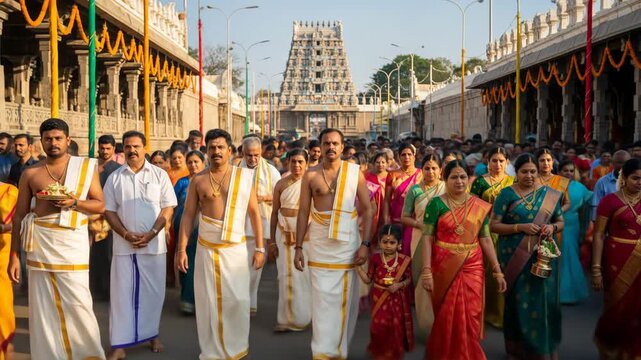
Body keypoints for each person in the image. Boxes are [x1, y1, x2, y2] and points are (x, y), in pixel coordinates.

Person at [8, 118, 105, 359]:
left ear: (68, 140)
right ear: (40, 142)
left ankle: (89, 355)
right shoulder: (30, 173)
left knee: (79, 303)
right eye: (48, 139)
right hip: (40, 244)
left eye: (58, 138)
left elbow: (100, 205)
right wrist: (14, 257)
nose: (53, 143)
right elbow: (19, 216)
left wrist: (75, 203)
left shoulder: (85, 167)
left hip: (72, 244)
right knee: (43, 308)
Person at [176, 129, 265, 359]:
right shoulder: (198, 179)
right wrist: (181, 249)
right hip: (206, 248)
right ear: (206, 150)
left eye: (220, 147)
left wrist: (260, 248)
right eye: (212, 147)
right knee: (208, 304)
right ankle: (213, 352)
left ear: (230, 150)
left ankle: (236, 349)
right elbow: (188, 215)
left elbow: (254, 214)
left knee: (238, 300)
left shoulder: (243, 177)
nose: (216, 151)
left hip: (235, 249)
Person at [294, 128, 372, 359]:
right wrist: (298, 247)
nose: (330, 147)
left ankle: (337, 350)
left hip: (347, 244)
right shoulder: (310, 175)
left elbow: (368, 210)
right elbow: (302, 213)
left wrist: (365, 243)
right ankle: (322, 351)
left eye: (335, 143)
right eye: (326, 143)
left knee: (343, 300)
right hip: (319, 244)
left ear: (342, 146)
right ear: (320, 146)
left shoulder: (353, 172)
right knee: (321, 300)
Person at [421, 159, 507, 360]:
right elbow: (427, 239)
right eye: (454, 177)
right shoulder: (435, 204)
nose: (459, 181)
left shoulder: (480, 206)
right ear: (445, 178)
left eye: (463, 177)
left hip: (473, 266)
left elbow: (485, 239)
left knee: (471, 314)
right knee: (446, 314)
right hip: (444, 265)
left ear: (468, 179)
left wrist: (497, 269)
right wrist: (426, 271)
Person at [103, 131, 177, 359]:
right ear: (122, 150)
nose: (132, 150)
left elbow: (168, 208)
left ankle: (152, 334)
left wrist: (153, 233)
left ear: (145, 147)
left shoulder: (159, 175)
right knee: (121, 295)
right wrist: (125, 233)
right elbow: (109, 211)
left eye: (136, 146)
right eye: (127, 147)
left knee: (153, 294)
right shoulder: (115, 178)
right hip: (124, 247)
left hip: (153, 247)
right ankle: (120, 344)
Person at [490, 153, 565, 359]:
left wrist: (552, 226)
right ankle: (521, 346)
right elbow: (493, 225)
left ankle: (545, 345)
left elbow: (561, 221)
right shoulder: (507, 194)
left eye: (533, 171)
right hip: (514, 255)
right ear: (517, 172)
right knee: (519, 300)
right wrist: (519, 226)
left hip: (542, 254)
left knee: (544, 300)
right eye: (525, 172)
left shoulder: (549, 194)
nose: (530, 175)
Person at [592, 158, 641, 359]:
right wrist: (596, 269)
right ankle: (611, 351)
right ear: (625, 177)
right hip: (616, 259)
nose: (640, 182)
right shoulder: (610, 201)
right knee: (618, 307)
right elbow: (598, 235)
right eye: (635, 178)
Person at [469, 146, 514, 328]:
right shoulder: (480, 183)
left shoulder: (512, 182)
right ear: (487, 163)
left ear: (507, 162)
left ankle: (504, 314)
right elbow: (472, 208)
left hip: (508, 231)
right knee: (488, 273)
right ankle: (485, 313)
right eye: (493, 161)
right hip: (485, 231)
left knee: (507, 270)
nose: (497, 164)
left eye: (501, 161)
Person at [269, 149, 312, 332]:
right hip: (282, 231)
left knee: (302, 276)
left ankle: (303, 318)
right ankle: (285, 319)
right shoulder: (280, 184)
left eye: (300, 162)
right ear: (288, 163)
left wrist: (306, 232)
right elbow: (274, 212)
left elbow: (316, 212)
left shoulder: (311, 183)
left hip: (306, 232)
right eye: (293, 161)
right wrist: (271, 240)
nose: (297, 165)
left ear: (306, 163)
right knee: (284, 275)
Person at [356, 224, 414, 360]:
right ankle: (379, 353)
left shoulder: (404, 260)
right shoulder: (375, 259)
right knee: (378, 326)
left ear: (399, 244)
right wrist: (358, 269)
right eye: (385, 242)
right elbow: (368, 280)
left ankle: (393, 354)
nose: (388, 245)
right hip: (379, 297)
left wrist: (398, 285)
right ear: (380, 242)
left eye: (392, 242)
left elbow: (409, 279)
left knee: (395, 327)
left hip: (397, 299)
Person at [240, 136, 281, 315]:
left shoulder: (271, 171)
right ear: (243, 153)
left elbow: (280, 196)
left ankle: (250, 302)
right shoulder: (235, 170)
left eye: (256, 155)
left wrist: (263, 198)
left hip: (260, 224)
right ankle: (239, 301)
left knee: (255, 266)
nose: (253, 159)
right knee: (239, 266)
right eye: (249, 155)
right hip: (239, 224)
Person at [89, 134, 122, 301]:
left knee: (109, 254)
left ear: (114, 149)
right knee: (93, 254)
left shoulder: (118, 169)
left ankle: (110, 291)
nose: (104, 151)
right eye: (102, 148)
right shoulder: (91, 166)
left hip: (110, 216)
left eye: (108, 148)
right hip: (91, 215)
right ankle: (95, 289)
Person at [172, 150, 205, 314]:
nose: (193, 165)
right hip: (182, 227)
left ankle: (192, 300)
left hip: (202, 228)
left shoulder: (208, 180)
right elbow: (172, 204)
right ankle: (185, 296)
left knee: (197, 264)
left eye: (196, 162)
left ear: (203, 163)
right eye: (190, 162)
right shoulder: (182, 183)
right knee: (183, 260)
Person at [558, 160, 592, 304]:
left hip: (573, 225)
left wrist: (584, 231)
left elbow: (586, 211)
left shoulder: (580, 188)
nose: (569, 173)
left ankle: (569, 293)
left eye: (572, 171)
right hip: (557, 224)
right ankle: (558, 293)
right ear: (559, 172)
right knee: (560, 257)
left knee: (571, 256)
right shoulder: (554, 186)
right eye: (566, 170)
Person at [383, 143, 423, 256]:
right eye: (403, 155)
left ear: (414, 156)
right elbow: (386, 199)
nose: (406, 157)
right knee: (395, 251)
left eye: (409, 154)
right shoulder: (392, 175)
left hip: (414, 218)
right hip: (397, 218)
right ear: (398, 157)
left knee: (412, 249)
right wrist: (386, 219)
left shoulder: (421, 174)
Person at [0, 180, 18, 360]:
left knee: (2, 305)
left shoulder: (9, 192)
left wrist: (15, 258)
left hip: (3, 255)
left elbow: (19, 223)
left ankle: (5, 347)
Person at [592, 150, 631, 220]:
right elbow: (596, 205)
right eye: (619, 162)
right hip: (608, 223)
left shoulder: (636, 181)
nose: (623, 166)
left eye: (626, 163)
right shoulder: (602, 182)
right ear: (612, 163)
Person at [536, 147, 571, 213]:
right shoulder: (532, 180)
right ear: (537, 162)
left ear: (552, 162)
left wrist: (558, 213)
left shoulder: (561, 181)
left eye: (548, 160)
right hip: (532, 219)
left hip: (555, 220)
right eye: (542, 160)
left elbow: (567, 203)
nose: (546, 163)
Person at [365, 152, 388, 247]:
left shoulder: (391, 177)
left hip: (387, 208)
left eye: (383, 162)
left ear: (387, 163)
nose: (380, 165)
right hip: (374, 209)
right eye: (378, 162)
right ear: (374, 163)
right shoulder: (368, 177)